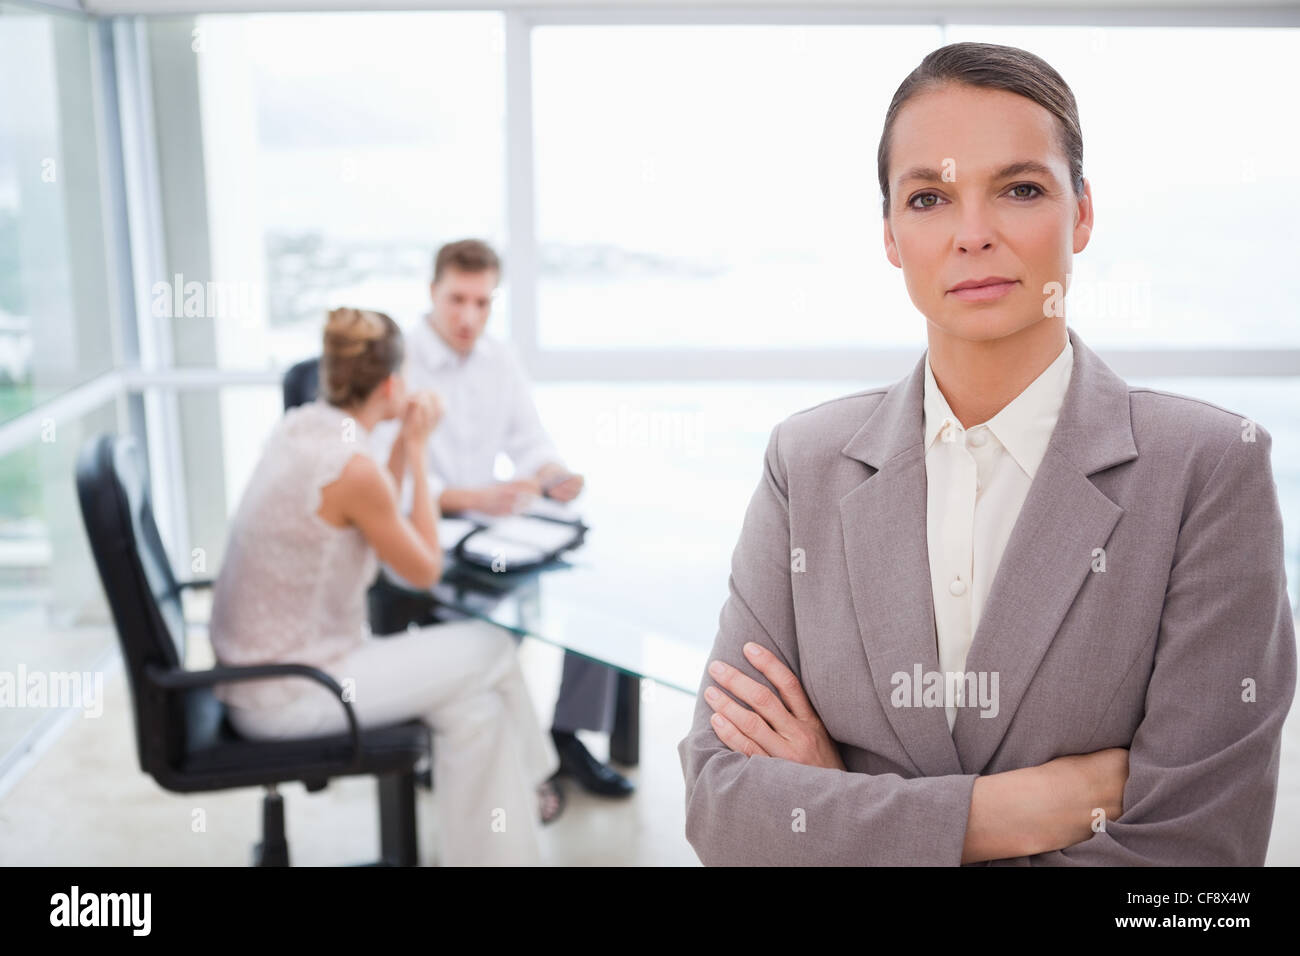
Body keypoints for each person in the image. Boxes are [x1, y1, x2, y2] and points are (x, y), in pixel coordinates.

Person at [678, 41, 1296, 865]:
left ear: (1080, 213)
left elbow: (1189, 878)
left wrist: (845, 809)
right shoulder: (808, 463)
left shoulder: (1207, 469)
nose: (972, 234)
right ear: (892, 236)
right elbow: (723, 808)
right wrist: (1003, 814)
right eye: (930, 197)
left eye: (1020, 189)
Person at [209, 307, 561, 866]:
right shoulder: (351, 467)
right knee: (491, 646)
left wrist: (399, 445)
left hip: (262, 672)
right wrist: (418, 450)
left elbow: (376, 506)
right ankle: (542, 770)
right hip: (292, 689)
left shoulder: (301, 427)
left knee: (476, 712)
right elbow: (422, 570)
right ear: (394, 384)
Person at [371, 239, 635, 798]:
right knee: (490, 624)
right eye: (457, 300)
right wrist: (470, 497)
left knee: (604, 596)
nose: (470, 317)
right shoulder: (396, 364)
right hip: (428, 539)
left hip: (494, 530)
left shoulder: (499, 359)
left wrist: (553, 474)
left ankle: (565, 736)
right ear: (431, 293)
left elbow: (528, 442)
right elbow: (382, 481)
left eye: (483, 303)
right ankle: (464, 749)